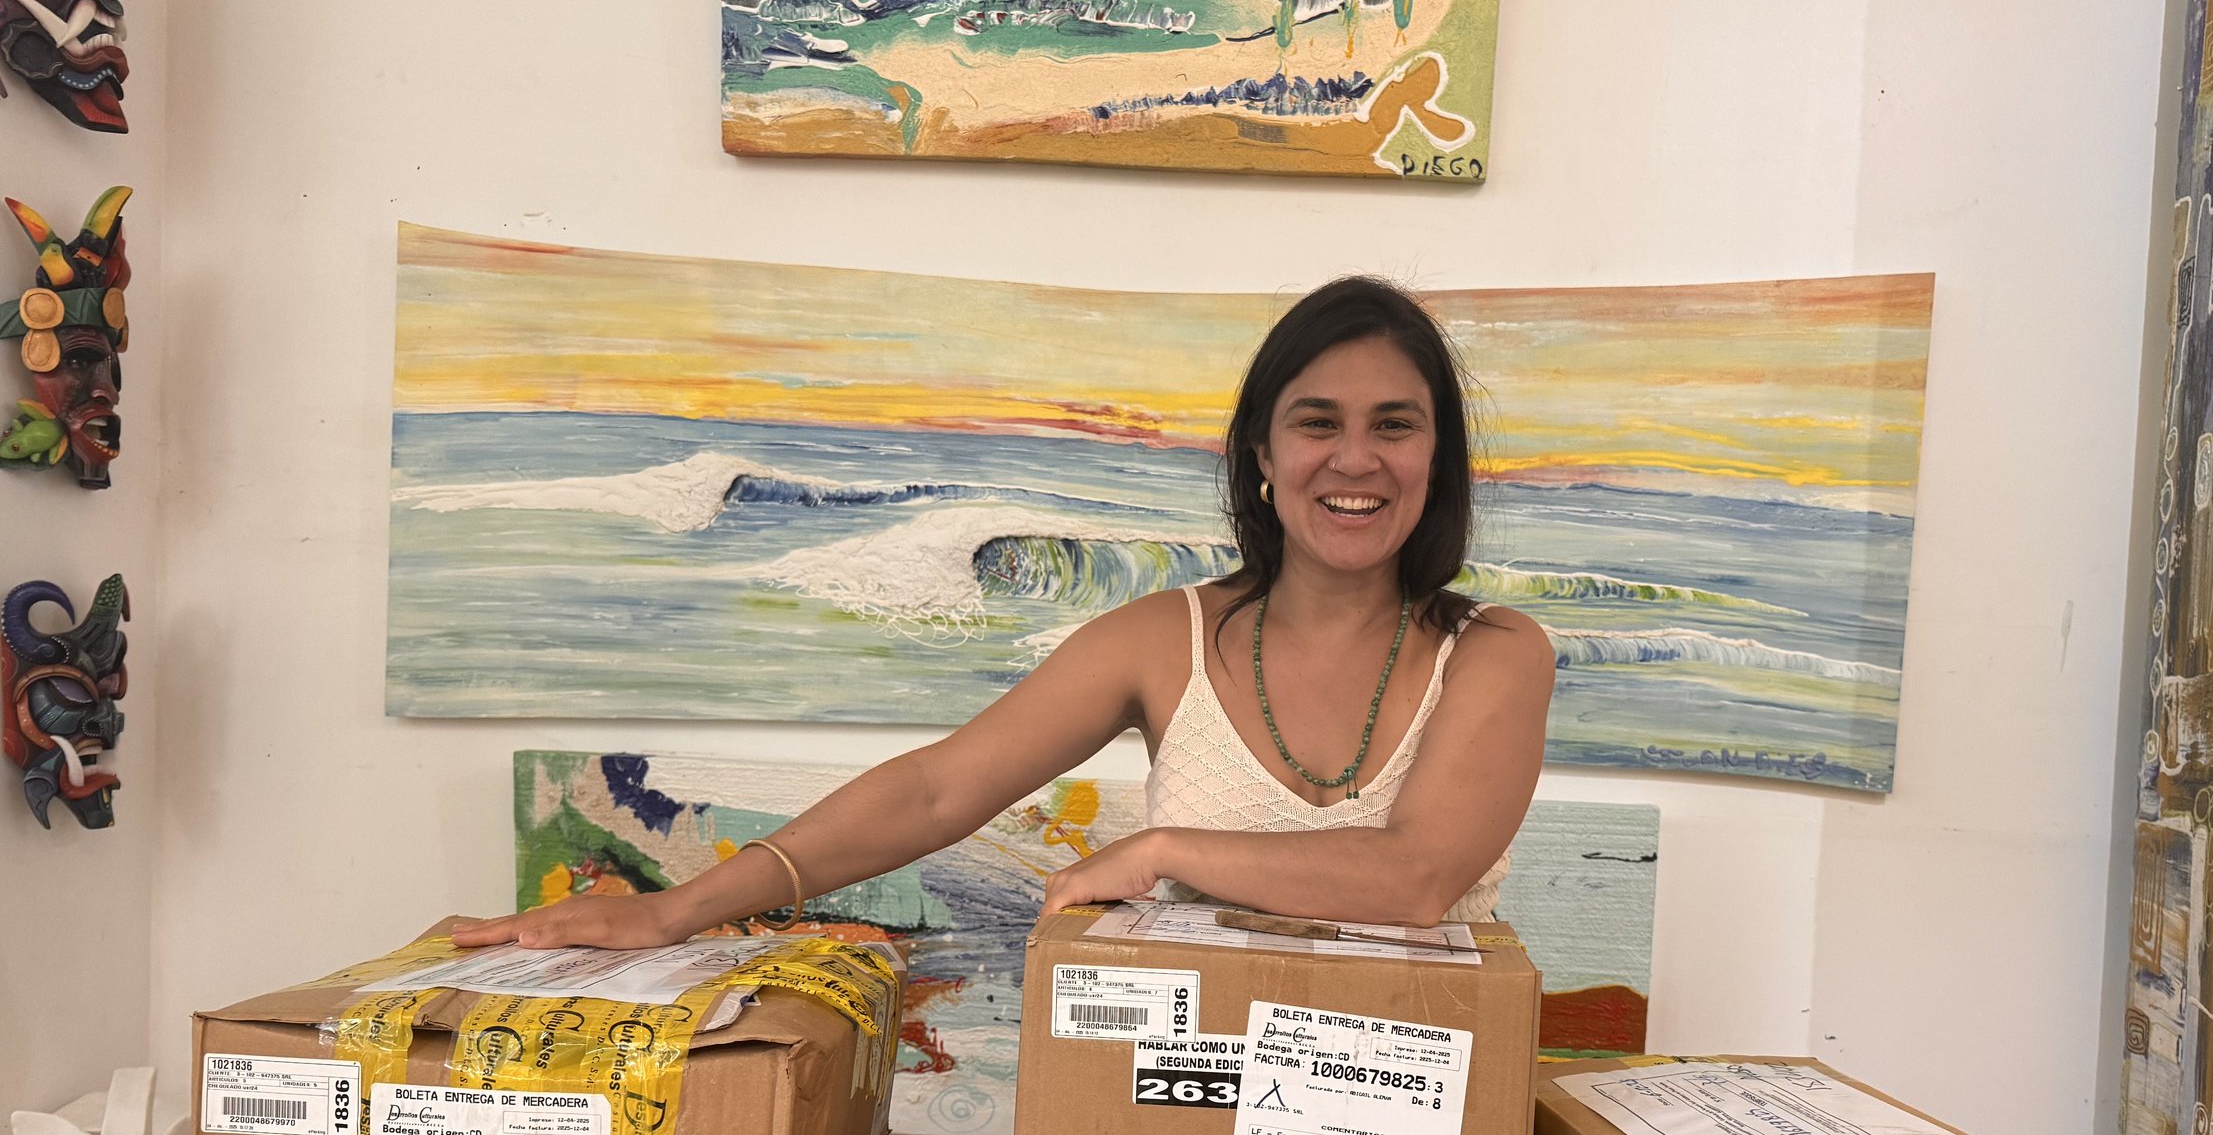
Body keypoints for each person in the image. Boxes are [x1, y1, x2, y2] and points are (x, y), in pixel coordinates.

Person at [451, 276, 1554, 955]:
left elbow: (1416, 880)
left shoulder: (1496, 655)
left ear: (1435, 458)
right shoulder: (1157, 640)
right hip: (1190, 1120)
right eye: (1316, 423)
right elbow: (934, 789)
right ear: (1263, 457)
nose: (1353, 460)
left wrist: (1162, 847)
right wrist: (670, 911)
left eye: (1394, 426)